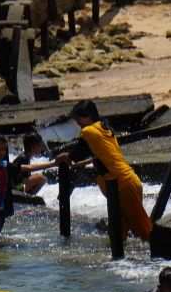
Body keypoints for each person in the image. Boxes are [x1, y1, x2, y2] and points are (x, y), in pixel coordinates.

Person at [57, 100, 152, 242]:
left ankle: (166, 258)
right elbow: (94, 156)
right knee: (119, 234)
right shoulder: (103, 128)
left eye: (78, 119)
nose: (78, 123)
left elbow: (77, 155)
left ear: (89, 116)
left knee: (144, 232)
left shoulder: (88, 132)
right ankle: (120, 263)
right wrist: (72, 159)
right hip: (126, 183)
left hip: (123, 186)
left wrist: (67, 157)